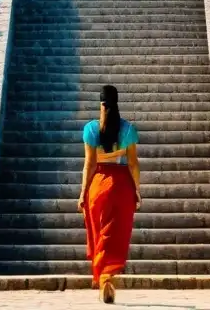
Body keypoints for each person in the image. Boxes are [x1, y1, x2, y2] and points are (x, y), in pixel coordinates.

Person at [78, 85, 140, 304]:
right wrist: (137, 191)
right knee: (116, 233)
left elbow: (89, 164)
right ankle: (107, 276)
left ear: (100, 104)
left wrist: (83, 192)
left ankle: (102, 275)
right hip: (122, 184)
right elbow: (132, 164)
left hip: (98, 185)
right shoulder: (128, 129)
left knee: (99, 230)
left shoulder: (91, 130)